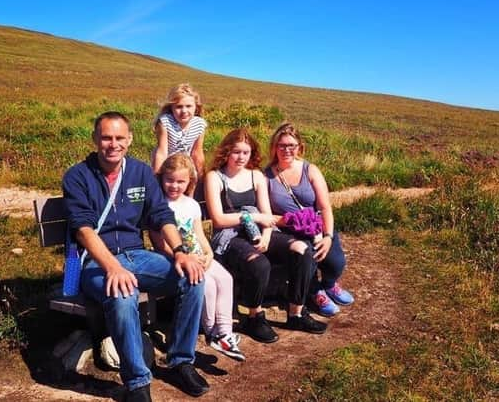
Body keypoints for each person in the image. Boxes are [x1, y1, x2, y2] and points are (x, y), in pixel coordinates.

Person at [62, 111, 209, 401]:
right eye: (106, 137)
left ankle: (181, 361)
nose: (112, 144)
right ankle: (137, 383)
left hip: (137, 254)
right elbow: (83, 230)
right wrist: (113, 267)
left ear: (129, 140)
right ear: (95, 139)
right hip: (96, 261)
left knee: (192, 278)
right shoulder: (78, 176)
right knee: (122, 293)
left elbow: (160, 214)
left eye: (119, 138)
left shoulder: (140, 172)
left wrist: (180, 252)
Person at [205, 128, 327, 344]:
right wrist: (250, 218)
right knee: (259, 263)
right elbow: (218, 219)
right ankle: (254, 317)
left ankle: (296, 313)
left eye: (246, 152)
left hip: (260, 229)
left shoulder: (256, 176)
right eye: (236, 152)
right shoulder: (215, 177)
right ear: (226, 152)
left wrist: (267, 236)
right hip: (229, 236)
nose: (241, 157)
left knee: (302, 249)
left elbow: (267, 214)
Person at [150, 153, 245, 361]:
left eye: (180, 181)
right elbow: (159, 243)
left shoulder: (191, 205)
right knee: (207, 284)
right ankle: (211, 332)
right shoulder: (159, 205)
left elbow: (198, 233)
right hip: (175, 258)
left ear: (189, 182)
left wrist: (209, 253)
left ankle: (225, 332)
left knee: (225, 279)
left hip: (199, 254)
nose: (174, 186)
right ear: (162, 178)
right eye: (169, 180)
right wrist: (183, 257)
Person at [265, 122, 355, 317]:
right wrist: (290, 220)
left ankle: (330, 284)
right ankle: (315, 292)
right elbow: (266, 214)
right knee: (307, 258)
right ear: (274, 147)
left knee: (335, 262)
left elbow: (325, 207)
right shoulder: (266, 176)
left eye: (291, 146)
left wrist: (328, 236)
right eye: (282, 146)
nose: (287, 150)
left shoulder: (310, 170)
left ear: (299, 147)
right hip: (289, 229)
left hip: (316, 226)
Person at [151, 83, 207, 195]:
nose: (184, 111)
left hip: (187, 165)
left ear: (196, 107)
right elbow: (162, 151)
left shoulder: (200, 124)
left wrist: (203, 177)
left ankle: (189, 207)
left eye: (188, 106)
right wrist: (156, 177)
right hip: (168, 165)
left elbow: (197, 153)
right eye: (179, 107)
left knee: (193, 181)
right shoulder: (165, 122)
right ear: (171, 108)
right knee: (165, 191)